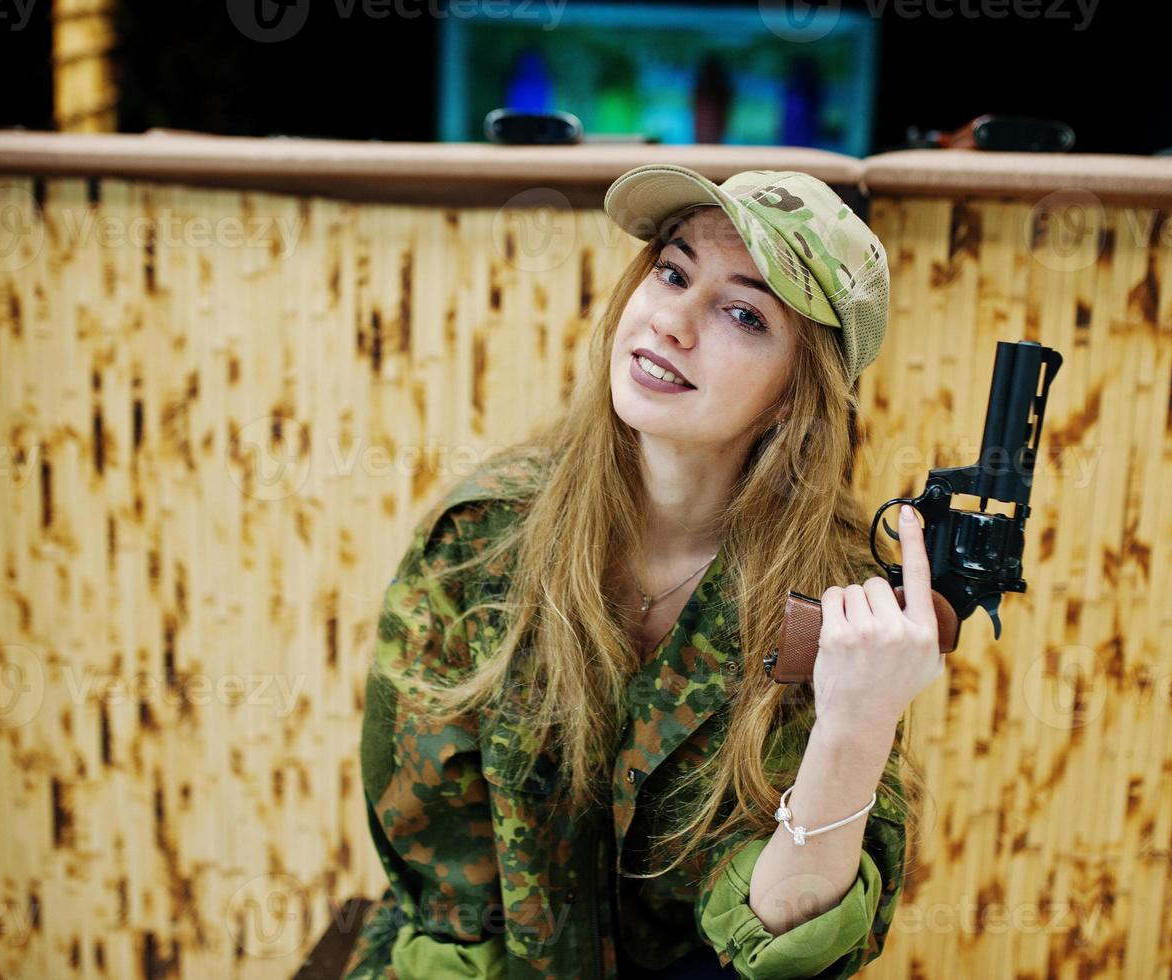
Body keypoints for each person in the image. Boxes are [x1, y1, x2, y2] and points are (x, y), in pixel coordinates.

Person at [341, 164, 945, 980]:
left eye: (741, 313)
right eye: (671, 270)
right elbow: (448, 898)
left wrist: (856, 723)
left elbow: (775, 952)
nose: (672, 322)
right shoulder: (483, 539)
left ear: (793, 395)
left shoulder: (832, 600)